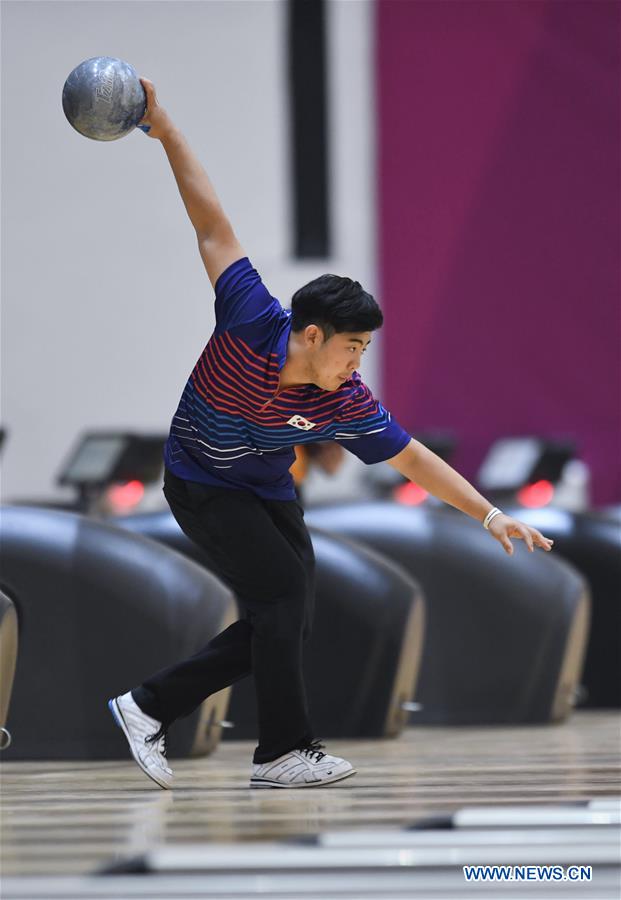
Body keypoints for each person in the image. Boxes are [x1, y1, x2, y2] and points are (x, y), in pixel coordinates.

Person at [108, 79, 554, 791]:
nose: (357, 362)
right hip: (199, 481)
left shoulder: (343, 399)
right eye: (352, 346)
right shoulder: (249, 318)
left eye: (364, 350)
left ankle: (156, 708)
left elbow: (412, 458)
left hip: (266, 487)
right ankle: (272, 748)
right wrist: (165, 129)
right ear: (311, 335)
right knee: (283, 601)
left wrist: (489, 514)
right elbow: (211, 226)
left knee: (287, 617)